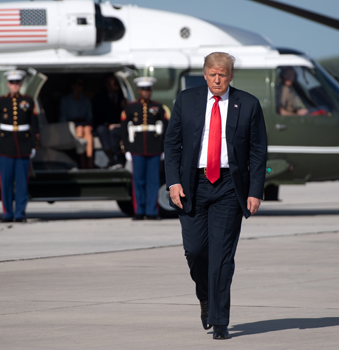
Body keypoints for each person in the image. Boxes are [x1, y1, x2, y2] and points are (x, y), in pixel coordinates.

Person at [164, 52, 267, 339]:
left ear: (231, 76)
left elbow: (259, 152)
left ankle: (220, 320)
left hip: (229, 187)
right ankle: (205, 295)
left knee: (221, 256)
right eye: (212, 74)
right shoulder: (187, 99)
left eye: (223, 74)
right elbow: (171, 145)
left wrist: (255, 191)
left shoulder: (248, 104)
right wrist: (173, 183)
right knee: (196, 250)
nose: (217, 79)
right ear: (205, 74)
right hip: (193, 185)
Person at [0, 70, 40, 223]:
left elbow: (35, 125)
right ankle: (7, 214)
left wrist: (34, 145)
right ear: (8, 84)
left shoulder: (28, 101)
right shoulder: (0, 102)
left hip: (23, 146)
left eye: (17, 82)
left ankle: (20, 213)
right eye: (12, 83)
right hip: (5, 146)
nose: (15, 85)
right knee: (5, 182)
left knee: (22, 183)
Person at [120, 77, 170, 220]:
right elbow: (124, 129)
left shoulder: (159, 108)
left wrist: (164, 148)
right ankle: (139, 211)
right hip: (136, 149)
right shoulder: (130, 108)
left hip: (154, 149)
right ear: (138, 91)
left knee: (153, 182)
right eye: (143, 90)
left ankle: (152, 211)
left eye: (148, 89)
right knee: (138, 181)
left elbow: (165, 129)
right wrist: (126, 149)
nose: (146, 92)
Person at [92, 75, 126, 168]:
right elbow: (97, 116)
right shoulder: (100, 97)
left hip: (120, 124)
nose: (115, 85)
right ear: (107, 85)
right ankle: (111, 157)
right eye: (113, 83)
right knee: (102, 130)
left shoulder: (123, 96)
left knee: (115, 132)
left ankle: (119, 158)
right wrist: (108, 124)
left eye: (116, 83)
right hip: (105, 124)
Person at [60, 77, 94, 168]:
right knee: (79, 129)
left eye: (82, 84)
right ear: (73, 86)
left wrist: (88, 123)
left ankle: (89, 162)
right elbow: (63, 118)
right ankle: (82, 162)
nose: (81, 87)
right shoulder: (65, 100)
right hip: (71, 126)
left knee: (86, 129)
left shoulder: (86, 100)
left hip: (84, 125)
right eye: (79, 84)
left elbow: (89, 117)